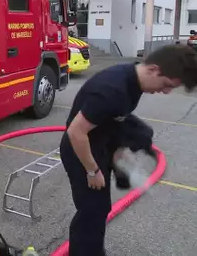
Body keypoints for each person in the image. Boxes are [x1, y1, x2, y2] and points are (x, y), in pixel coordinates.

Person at [59, 44, 197, 256]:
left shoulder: (134, 80)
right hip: (82, 148)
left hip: (103, 136)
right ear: (153, 69)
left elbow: (115, 118)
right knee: (94, 211)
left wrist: (119, 148)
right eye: (167, 84)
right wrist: (92, 171)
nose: (167, 91)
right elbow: (76, 133)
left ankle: (119, 166)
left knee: (143, 133)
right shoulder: (112, 90)